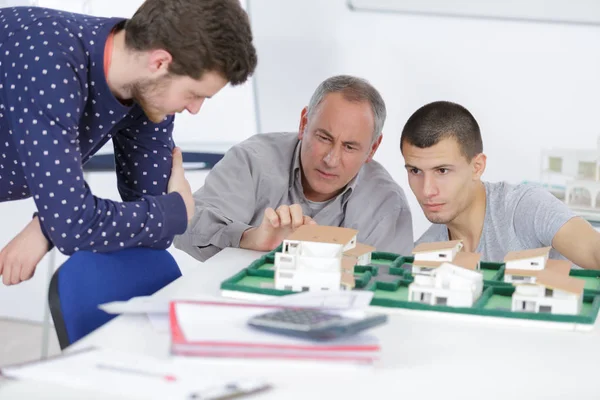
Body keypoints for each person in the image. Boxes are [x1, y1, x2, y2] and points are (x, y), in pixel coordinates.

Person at [0, 0, 258, 285]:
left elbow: (157, 234)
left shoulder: (146, 90)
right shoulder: (50, 61)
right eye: (194, 94)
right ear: (159, 62)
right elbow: (77, 225)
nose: (194, 109)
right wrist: (175, 210)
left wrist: (49, 224)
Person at [175, 75, 414, 261]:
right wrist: (250, 238)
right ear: (304, 123)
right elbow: (185, 226)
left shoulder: (387, 204)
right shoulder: (252, 160)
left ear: (373, 148)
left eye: (350, 147)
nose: (331, 159)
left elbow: (386, 292)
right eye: (323, 137)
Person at [400, 100, 600, 268]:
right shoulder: (425, 252)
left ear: (477, 167)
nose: (427, 190)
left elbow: (593, 251)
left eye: (442, 171)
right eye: (415, 171)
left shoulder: (524, 207)